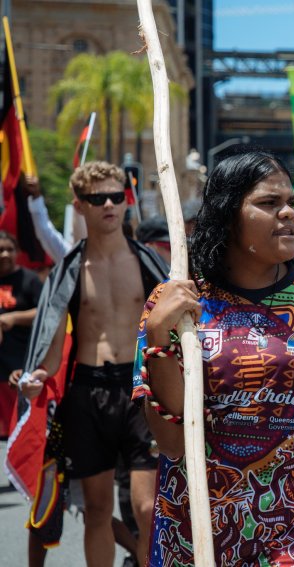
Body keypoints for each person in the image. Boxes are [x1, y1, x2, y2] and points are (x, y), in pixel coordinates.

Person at [131, 151, 294, 567]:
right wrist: (160, 337)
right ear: (228, 215)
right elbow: (172, 442)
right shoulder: (175, 305)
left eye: (291, 203)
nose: (288, 214)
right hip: (195, 529)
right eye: (269, 204)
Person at [14, 161, 167, 566]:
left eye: (117, 196)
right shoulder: (68, 270)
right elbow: (50, 336)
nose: (110, 205)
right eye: (98, 199)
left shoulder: (150, 263)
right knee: (98, 512)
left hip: (140, 393)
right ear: (80, 205)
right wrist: (38, 377)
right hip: (88, 394)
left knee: (149, 509)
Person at [0, 232, 42, 437]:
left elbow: (43, 312)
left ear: (17, 252)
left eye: (9, 249)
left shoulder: (29, 279)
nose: (5, 254)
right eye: (0, 250)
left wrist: (14, 318)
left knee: (18, 430)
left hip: (20, 363)